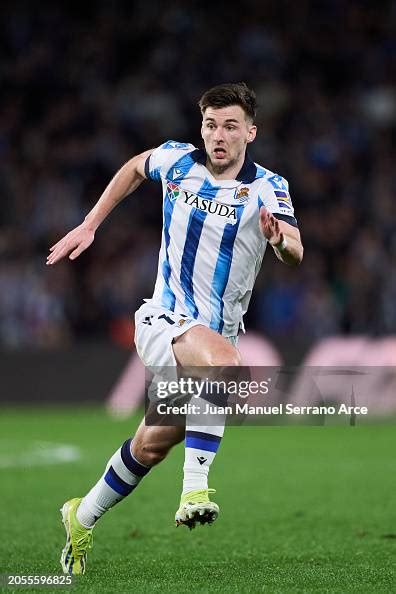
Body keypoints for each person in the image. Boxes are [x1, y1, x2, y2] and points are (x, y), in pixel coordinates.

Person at [47, 82, 303, 575]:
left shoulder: (270, 187)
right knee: (228, 366)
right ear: (201, 129)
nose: (219, 135)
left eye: (230, 126)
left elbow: (295, 249)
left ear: (251, 131)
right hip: (163, 317)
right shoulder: (177, 160)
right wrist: (90, 223)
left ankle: (80, 516)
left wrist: (278, 242)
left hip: (213, 336)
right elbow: (133, 169)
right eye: (211, 125)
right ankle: (195, 490)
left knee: (151, 445)